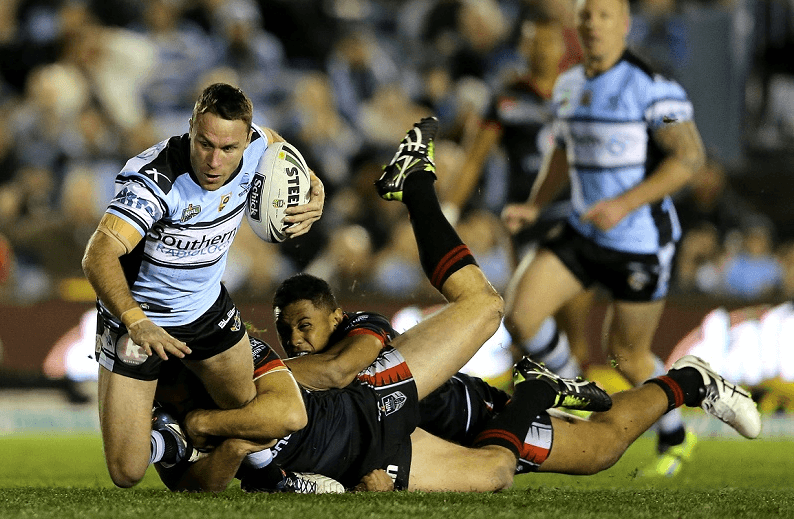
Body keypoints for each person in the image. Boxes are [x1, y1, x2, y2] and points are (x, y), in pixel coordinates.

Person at [150, 118, 759, 494]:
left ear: (336, 315)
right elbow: (285, 462)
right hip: (387, 441)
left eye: (305, 325)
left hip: (413, 402)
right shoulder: (252, 386)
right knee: (521, 464)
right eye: (288, 332)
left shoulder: (354, 333)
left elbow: (332, 377)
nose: (297, 339)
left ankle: (416, 188)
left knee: (585, 435)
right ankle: (665, 383)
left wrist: (226, 419)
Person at [81, 83, 324, 488]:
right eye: (204, 143)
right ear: (191, 127)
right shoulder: (154, 182)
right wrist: (135, 320)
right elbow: (98, 255)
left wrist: (314, 186)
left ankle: (185, 440)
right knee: (126, 473)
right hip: (138, 319)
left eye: (228, 149)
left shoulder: (258, 147)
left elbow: (282, 150)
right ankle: (164, 432)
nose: (214, 160)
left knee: (253, 416)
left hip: (205, 310)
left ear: (247, 140)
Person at [500, 0, 707, 477]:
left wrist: (624, 204)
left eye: (605, 15)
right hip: (583, 231)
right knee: (520, 316)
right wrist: (535, 203)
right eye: (586, 15)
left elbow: (690, 158)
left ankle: (676, 434)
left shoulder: (654, 89)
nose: (593, 23)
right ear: (577, 24)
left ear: (625, 25)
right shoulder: (569, 85)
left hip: (639, 240)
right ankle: (571, 384)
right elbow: (562, 152)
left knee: (626, 354)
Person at [448, 15, 592, 378]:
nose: (541, 50)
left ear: (562, 48)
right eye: (533, 42)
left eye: (548, 42)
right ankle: (523, 411)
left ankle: (576, 407)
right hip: (525, 221)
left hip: (574, 215)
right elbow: (473, 159)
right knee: (525, 318)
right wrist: (449, 209)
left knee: (574, 320)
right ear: (522, 48)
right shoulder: (507, 99)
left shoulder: (581, 96)